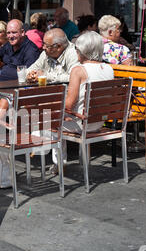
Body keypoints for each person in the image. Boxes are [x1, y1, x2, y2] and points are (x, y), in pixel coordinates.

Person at [48, 31, 114, 173]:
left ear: (83, 51)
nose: (76, 52)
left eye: (76, 49)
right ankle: (79, 160)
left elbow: (68, 105)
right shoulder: (109, 69)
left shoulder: (78, 70)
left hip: (82, 124)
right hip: (99, 121)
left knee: (52, 121)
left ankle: (59, 164)